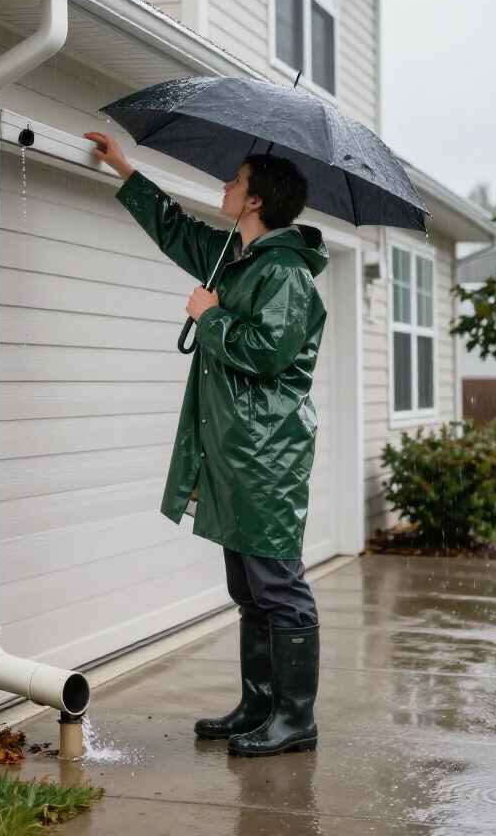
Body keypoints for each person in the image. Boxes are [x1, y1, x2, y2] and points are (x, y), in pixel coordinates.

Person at [85, 131, 329, 757]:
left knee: (278, 584)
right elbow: (178, 232)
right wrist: (124, 169)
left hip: (267, 453)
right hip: (233, 448)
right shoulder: (236, 258)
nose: (224, 187)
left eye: (234, 181)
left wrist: (208, 316)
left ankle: (295, 718)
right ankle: (259, 703)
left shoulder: (286, 274)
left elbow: (267, 355)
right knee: (247, 587)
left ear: (255, 200)